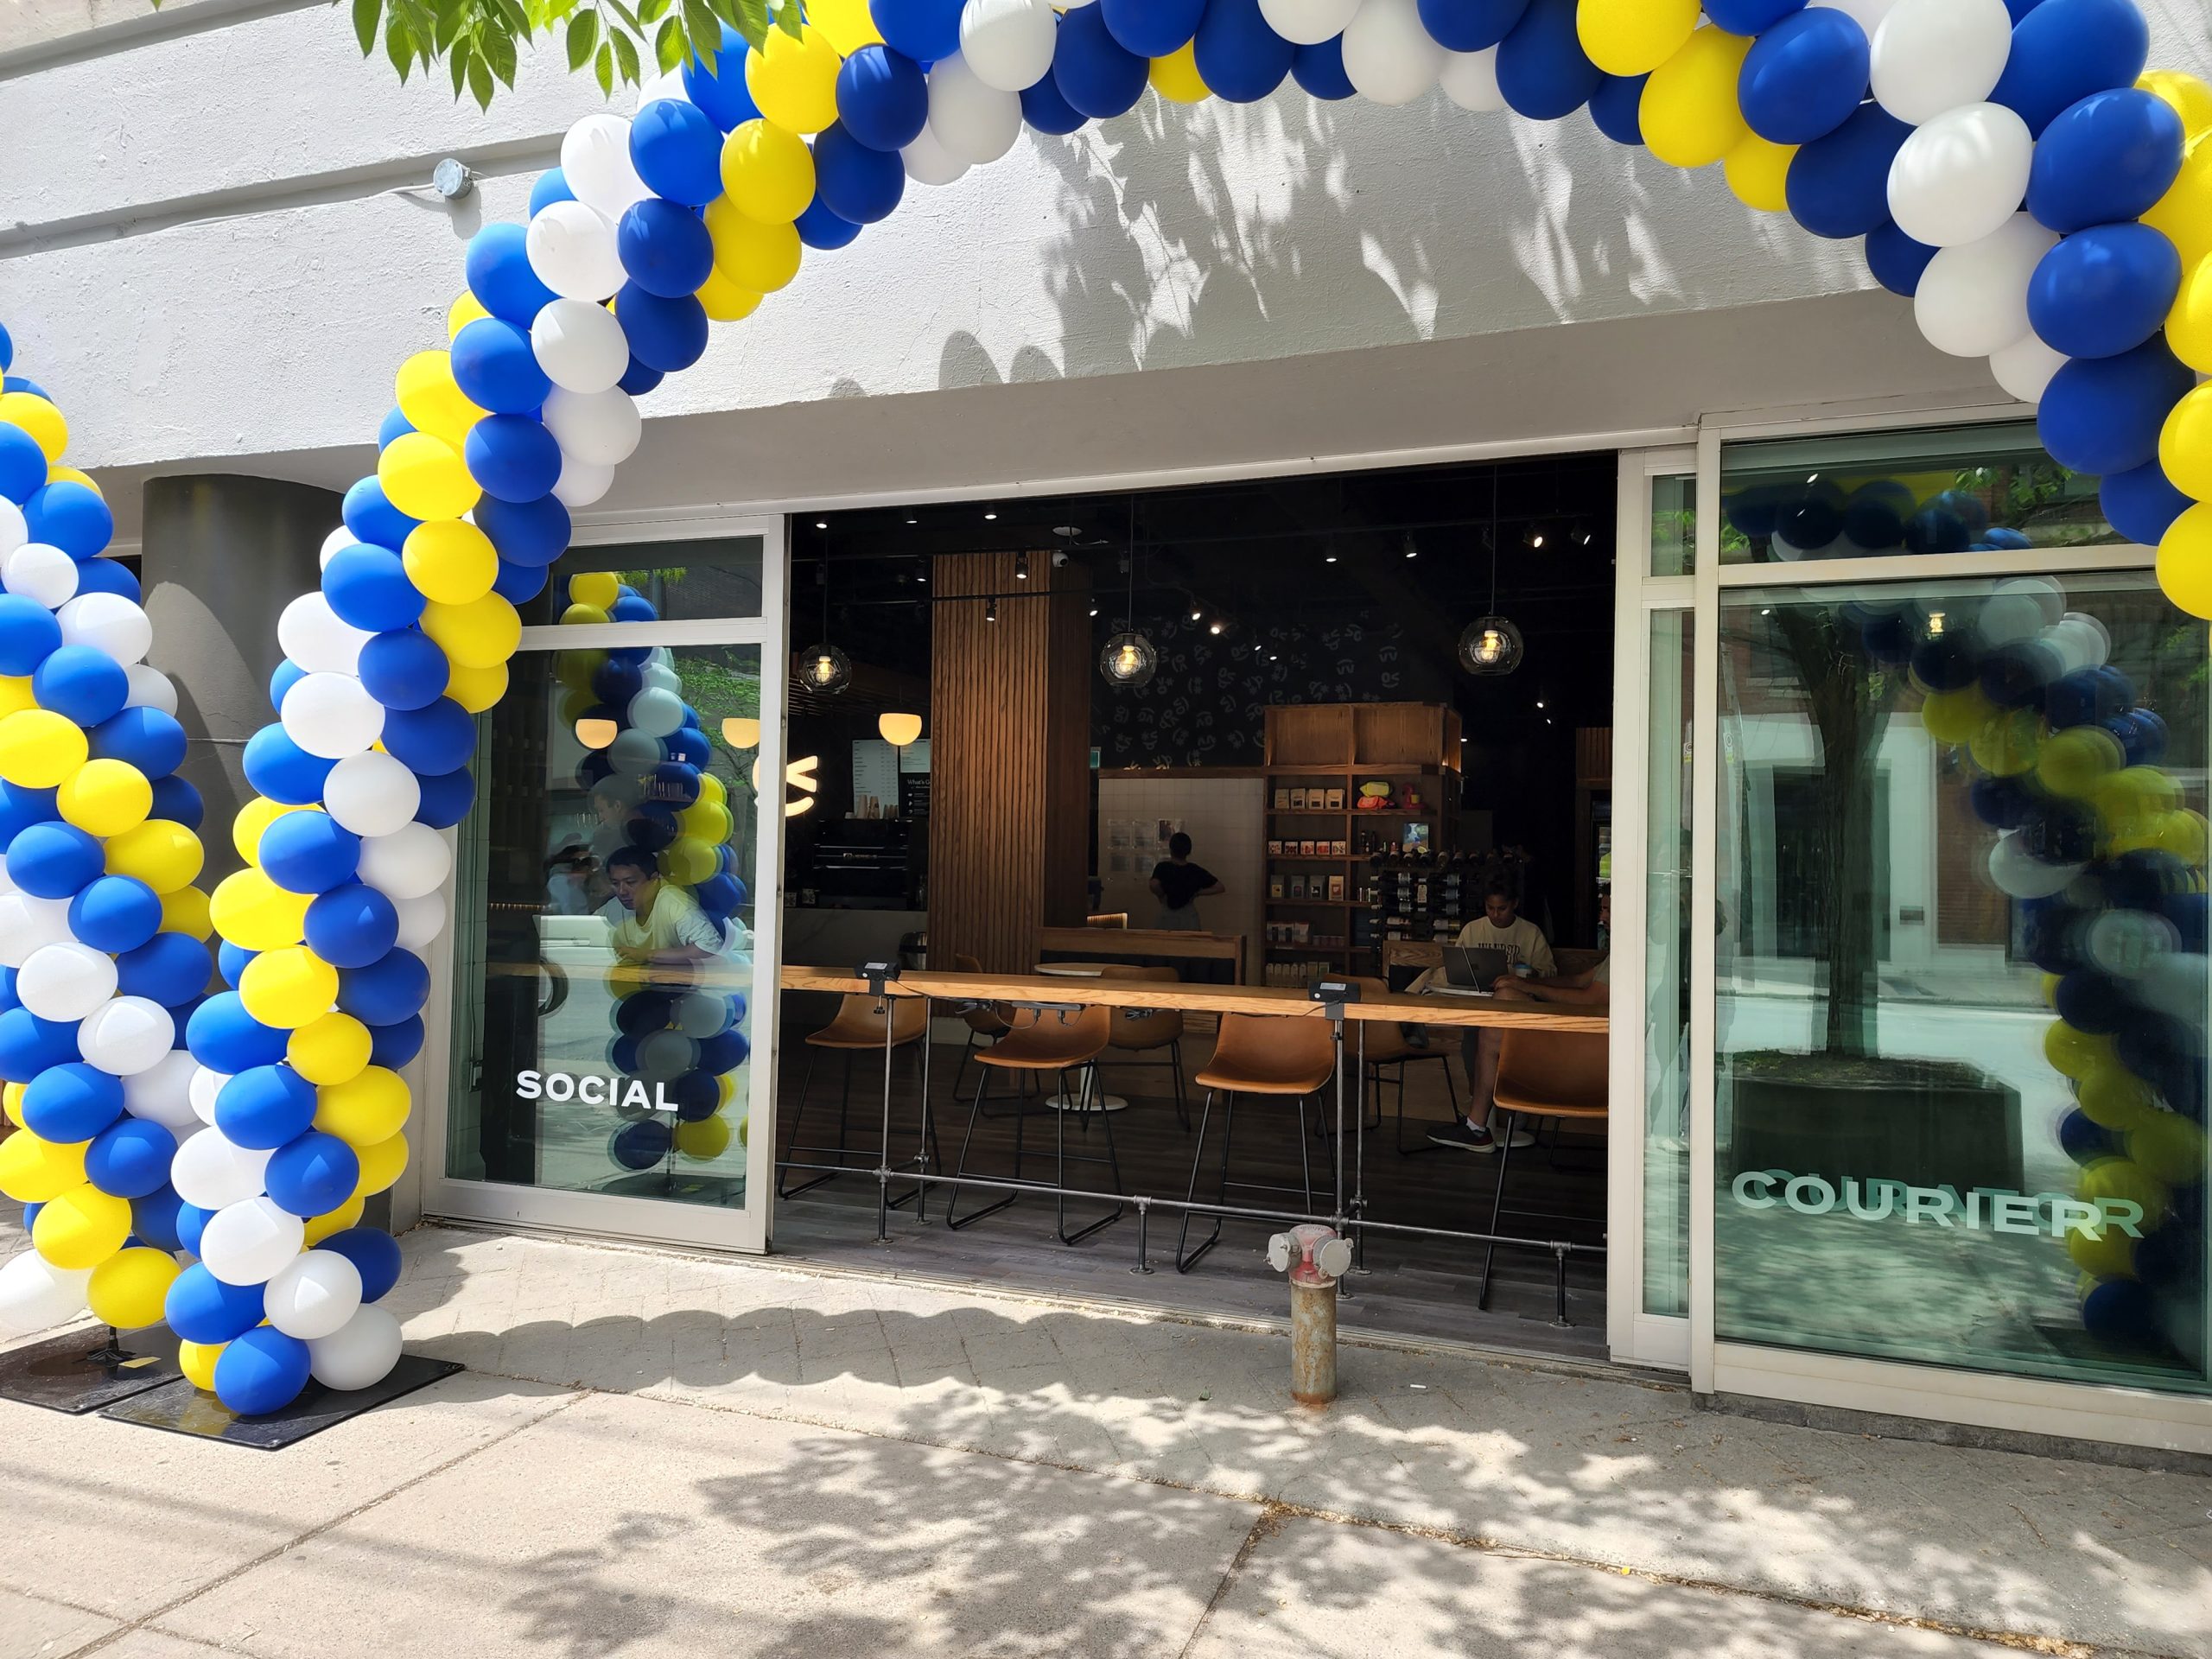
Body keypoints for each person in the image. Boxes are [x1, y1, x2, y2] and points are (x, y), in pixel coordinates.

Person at [1421, 883, 1568, 1152]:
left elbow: (1549, 973)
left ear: (1515, 904)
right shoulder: (1473, 930)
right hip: (1479, 1006)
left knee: (1495, 1043)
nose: (1496, 914)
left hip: (1519, 1016)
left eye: (1502, 908)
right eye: (1490, 908)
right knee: (1471, 1040)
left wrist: (1525, 976)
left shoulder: (1530, 933)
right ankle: (1482, 1113)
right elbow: (1457, 966)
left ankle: (1499, 1113)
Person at [600, 845, 739, 979]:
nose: (622, 891)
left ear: (654, 880)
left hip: (682, 986)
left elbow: (710, 949)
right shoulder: (616, 905)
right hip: (639, 981)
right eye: (615, 884)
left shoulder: (674, 902)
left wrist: (647, 955)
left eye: (630, 882)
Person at [1148, 832, 1224, 931]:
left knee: (1166, 940)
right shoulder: (1194, 870)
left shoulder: (1163, 867)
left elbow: (1154, 884)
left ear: (1171, 849)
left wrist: (1161, 895)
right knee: (1190, 940)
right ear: (1188, 851)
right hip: (1189, 916)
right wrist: (1198, 892)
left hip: (1167, 915)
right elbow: (1219, 887)